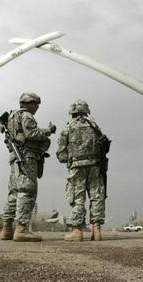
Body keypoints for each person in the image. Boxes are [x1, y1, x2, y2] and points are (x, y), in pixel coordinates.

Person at [0, 92, 56, 242]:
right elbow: (32, 133)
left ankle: (6, 229)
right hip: (26, 157)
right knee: (27, 190)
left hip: (15, 158)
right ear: (29, 104)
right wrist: (48, 131)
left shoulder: (11, 117)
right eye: (36, 104)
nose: (37, 108)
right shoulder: (26, 116)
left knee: (14, 193)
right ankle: (21, 229)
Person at [56, 100, 110, 241]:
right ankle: (96, 231)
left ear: (72, 112)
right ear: (86, 110)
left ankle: (77, 231)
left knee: (77, 198)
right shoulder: (95, 126)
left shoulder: (68, 128)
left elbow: (61, 155)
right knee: (96, 196)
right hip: (95, 166)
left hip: (77, 167)